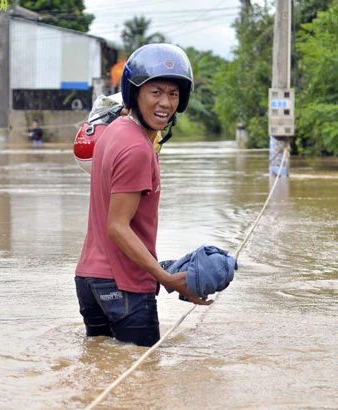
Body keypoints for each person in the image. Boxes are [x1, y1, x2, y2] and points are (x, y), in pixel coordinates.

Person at [74, 43, 212, 348]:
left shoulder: (114, 131)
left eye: (173, 94)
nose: (165, 103)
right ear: (134, 93)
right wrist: (165, 277)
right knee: (145, 380)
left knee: (104, 370)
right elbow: (118, 227)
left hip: (89, 279)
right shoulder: (137, 149)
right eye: (156, 92)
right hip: (123, 284)